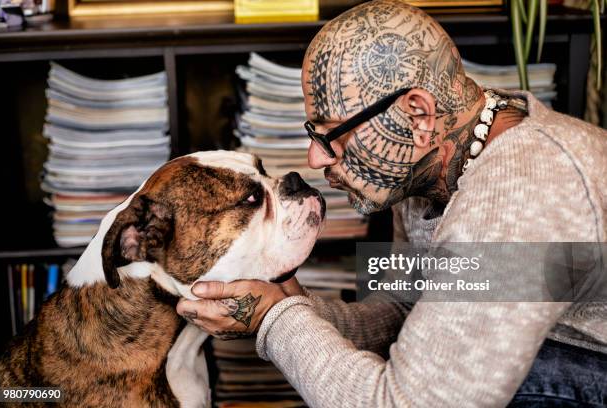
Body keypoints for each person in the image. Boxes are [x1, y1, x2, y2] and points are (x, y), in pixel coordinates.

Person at [177, 1, 607, 406]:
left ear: (417, 115)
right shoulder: (426, 167)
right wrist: (294, 301)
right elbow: (406, 311)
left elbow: (405, 401)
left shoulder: (518, 192)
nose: (315, 157)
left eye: (332, 134)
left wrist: (273, 318)